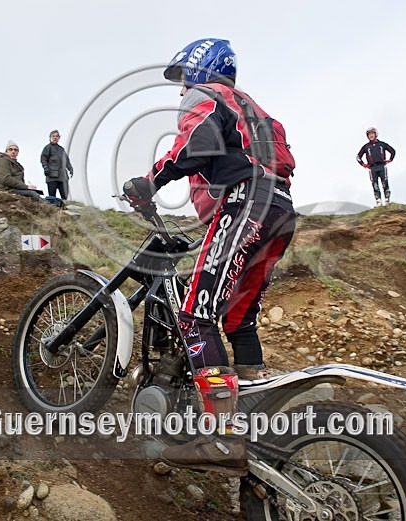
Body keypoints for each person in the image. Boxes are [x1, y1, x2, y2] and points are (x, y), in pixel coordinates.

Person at [124, 38, 296, 476]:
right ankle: (255, 413)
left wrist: (152, 181)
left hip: (246, 205)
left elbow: (195, 144)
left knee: (195, 316)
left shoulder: (207, 95)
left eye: (183, 79)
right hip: (279, 209)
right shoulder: (253, 108)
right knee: (238, 317)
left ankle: (221, 436)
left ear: (199, 70)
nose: (182, 91)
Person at [356, 127, 396, 206]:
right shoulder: (366, 147)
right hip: (372, 168)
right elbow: (358, 157)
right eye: (369, 134)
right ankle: (378, 201)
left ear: (375, 134)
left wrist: (390, 159)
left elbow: (392, 151)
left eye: (372, 133)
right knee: (375, 184)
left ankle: (387, 200)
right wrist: (363, 164)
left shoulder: (382, 144)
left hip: (382, 166)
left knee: (385, 182)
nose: (371, 135)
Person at [40, 130, 73, 201]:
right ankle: (54, 210)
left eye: (56, 136)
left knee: (64, 196)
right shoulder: (47, 148)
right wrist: (45, 167)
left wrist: (70, 169)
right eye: (53, 136)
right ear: (50, 137)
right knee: (52, 197)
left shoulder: (61, 149)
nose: (55, 138)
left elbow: (66, 160)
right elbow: (43, 159)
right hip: (52, 176)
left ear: (59, 138)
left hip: (63, 177)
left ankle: (64, 210)